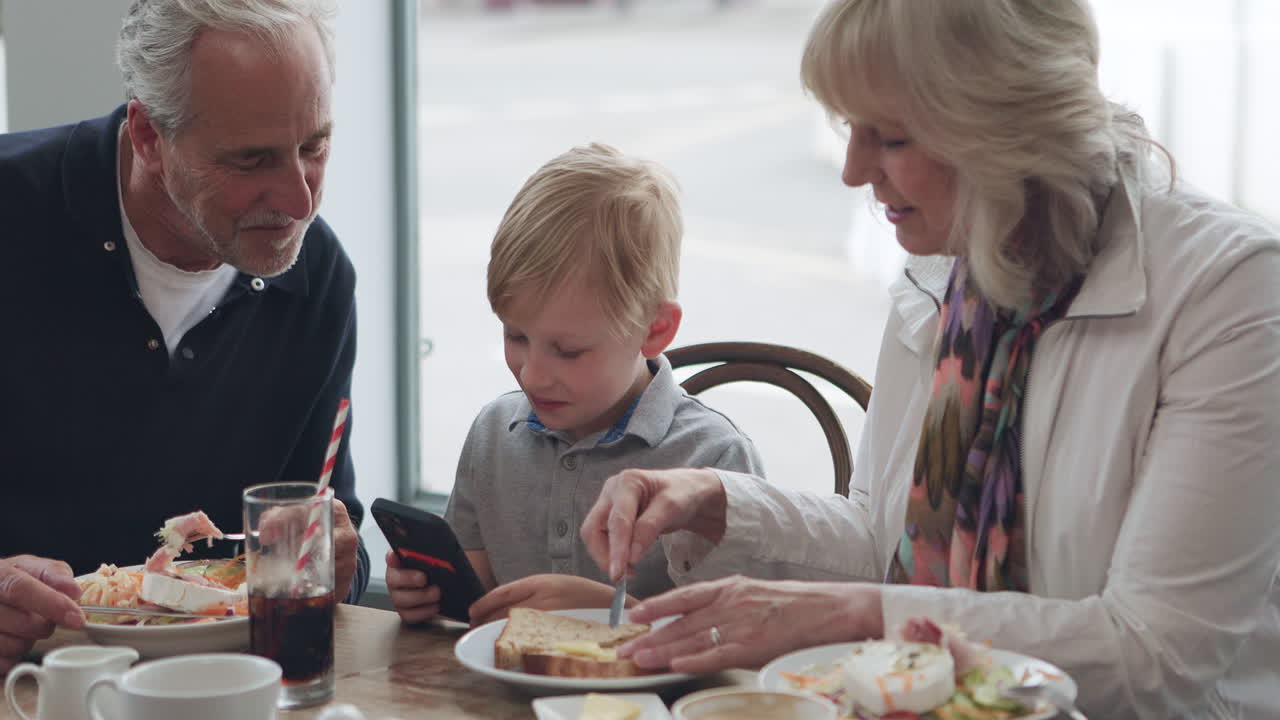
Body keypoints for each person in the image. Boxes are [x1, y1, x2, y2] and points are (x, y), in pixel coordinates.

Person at [579, 0, 1280, 716]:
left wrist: (851, 615)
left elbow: (1154, 657)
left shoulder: (1228, 290)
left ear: (1006, 128)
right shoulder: (948, 262)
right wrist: (719, 502)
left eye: (890, 137)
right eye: (850, 128)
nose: (853, 171)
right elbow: (887, 545)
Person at [0, 0, 369, 674]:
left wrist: (337, 561)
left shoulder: (318, 281)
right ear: (147, 136)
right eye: (252, 159)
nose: (299, 201)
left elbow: (326, 519)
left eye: (314, 146)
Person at [386, 143, 764, 626]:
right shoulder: (493, 433)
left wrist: (602, 613)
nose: (532, 374)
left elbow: (734, 637)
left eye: (568, 351)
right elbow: (475, 604)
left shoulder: (713, 462)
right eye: (516, 336)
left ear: (654, 330)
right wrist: (430, 597)